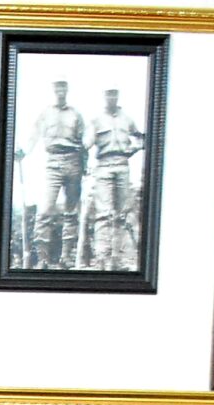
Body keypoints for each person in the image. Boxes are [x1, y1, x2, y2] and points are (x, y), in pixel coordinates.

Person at [89, 88, 146, 270]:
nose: (111, 97)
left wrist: (133, 149)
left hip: (122, 165)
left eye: (114, 93)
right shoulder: (96, 120)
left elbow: (141, 138)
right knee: (103, 213)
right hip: (104, 167)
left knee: (123, 213)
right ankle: (101, 257)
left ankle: (118, 259)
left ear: (118, 96)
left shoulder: (127, 119)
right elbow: (86, 144)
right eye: (108, 94)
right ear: (103, 96)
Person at [33, 80, 86, 266]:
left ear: (67, 89)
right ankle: (42, 259)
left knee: (71, 212)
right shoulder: (46, 113)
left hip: (73, 162)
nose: (60, 90)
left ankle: (66, 257)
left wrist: (84, 166)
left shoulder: (76, 114)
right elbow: (34, 135)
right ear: (54, 89)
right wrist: (23, 151)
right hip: (53, 162)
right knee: (45, 210)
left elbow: (83, 142)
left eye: (63, 86)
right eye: (57, 86)